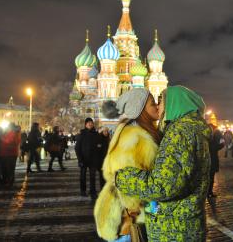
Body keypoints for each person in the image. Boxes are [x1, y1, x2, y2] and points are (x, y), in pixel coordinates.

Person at [115, 85, 211, 241]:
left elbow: (163, 185)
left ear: (174, 103)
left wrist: (123, 178)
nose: (158, 106)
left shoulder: (179, 133)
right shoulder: (189, 130)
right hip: (180, 223)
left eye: (161, 101)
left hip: (173, 228)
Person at [94, 88, 160, 241]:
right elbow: (129, 183)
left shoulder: (132, 131)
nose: (157, 106)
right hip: (133, 218)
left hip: (129, 213)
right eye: (152, 104)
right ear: (140, 110)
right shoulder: (136, 137)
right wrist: (153, 212)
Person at [75, 118, 100, 198]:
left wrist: (99, 147)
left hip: (93, 159)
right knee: (83, 176)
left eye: (91, 123)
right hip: (84, 159)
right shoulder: (81, 134)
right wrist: (79, 159)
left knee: (93, 176)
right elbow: (77, 148)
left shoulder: (96, 134)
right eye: (88, 123)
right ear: (85, 124)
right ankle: (83, 190)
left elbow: (99, 145)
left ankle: (93, 191)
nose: (90, 124)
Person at [208, 123, 225, 198]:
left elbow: (222, 143)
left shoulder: (216, 133)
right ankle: (209, 192)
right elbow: (222, 144)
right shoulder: (216, 132)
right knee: (210, 176)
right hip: (211, 157)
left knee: (210, 176)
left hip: (211, 157)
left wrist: (213, 148)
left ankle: (209, 192)